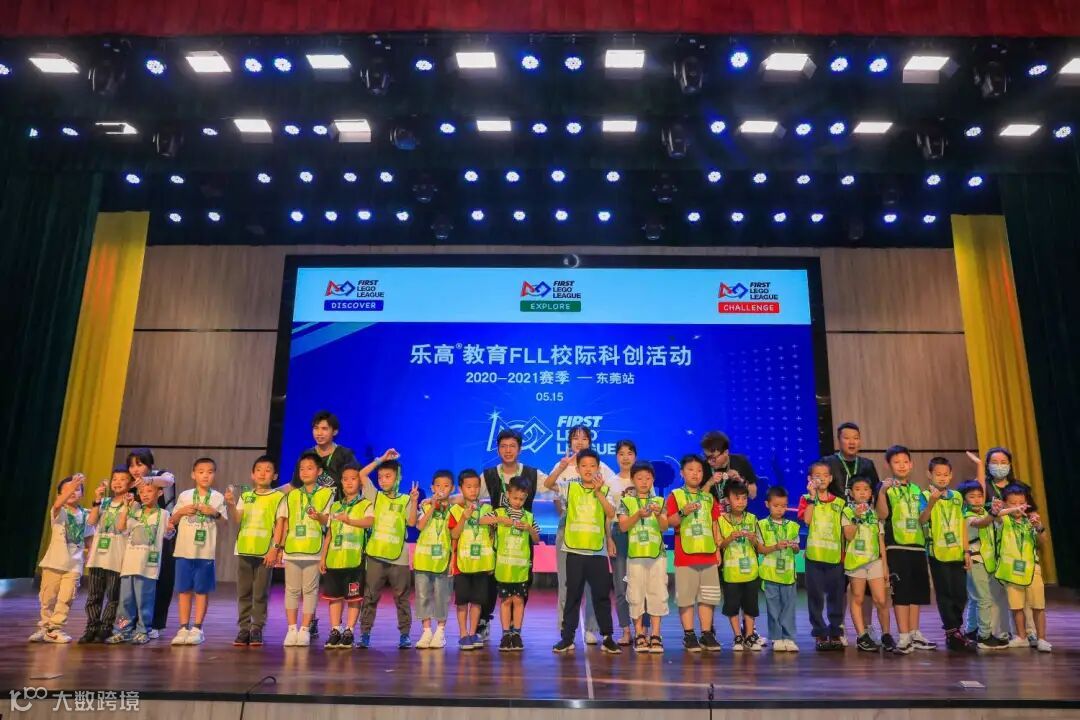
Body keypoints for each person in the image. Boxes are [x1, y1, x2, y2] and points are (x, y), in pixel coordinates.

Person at [475, 429, 548, 643]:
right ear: (498, 449)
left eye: (512, 446)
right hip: (497, 542)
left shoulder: (532, 474)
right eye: (503, 446)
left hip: (522, 543)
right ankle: (485, 622)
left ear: (520, 449)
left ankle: (516, 630)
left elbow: (553, 486)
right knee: (491, 584)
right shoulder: (489, 475)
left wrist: (565, 469)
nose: (508, 450)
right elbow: (470, 493)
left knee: (522, 585)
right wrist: (441, 500)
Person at [547, 448, 621, 655]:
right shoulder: (570, 487)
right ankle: (567, 638)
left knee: (601, 596)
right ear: (578, 469)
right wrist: (561, 467)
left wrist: (598, 493)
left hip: (597, 552)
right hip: (574, 551)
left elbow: (610, 513)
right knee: (573, 596)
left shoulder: (604, 490)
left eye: (592, 466)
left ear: (599, 469)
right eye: (584, 466)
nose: (588, 469)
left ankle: (607, 637)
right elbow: (548, 484)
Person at [876, 445, 935, 654]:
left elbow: (923, 519)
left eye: (905, 462)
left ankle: (914, 633)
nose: (901, 465)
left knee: (916, 592)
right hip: (896, 546)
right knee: (901, 592)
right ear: (888, 465)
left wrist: (932, 503)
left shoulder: (917, 490)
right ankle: (903, 636)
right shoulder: (885, 488)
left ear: (911, 464)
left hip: (917, 546)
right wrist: (882, 491)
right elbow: (882, 515)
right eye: (896, 462)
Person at [979, 446, 1038, 647]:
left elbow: (1032, 512)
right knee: (996, 593)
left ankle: (1030, 632)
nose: (999, 466)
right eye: (994, 462)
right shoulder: (983, 488)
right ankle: (1001, 632)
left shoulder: (1020, 487)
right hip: (991, 544)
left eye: (1003, 462)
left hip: (1017, 546)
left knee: (1023, 591)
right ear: (987, 465)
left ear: (1010, 464)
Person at [225, 455, 286, 647]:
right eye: (258, 470)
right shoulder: (246, 496)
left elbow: (281, 524)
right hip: (244, 549)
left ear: (274, 476)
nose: (262, 473)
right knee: (243, 592)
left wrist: (275, 548)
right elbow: (237, 519)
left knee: (260, 593)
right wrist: (231, 504)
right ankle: (244, 628)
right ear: (252, 474)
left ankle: (257, 627)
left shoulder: (278, 497)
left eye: (268, 470)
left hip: (265, 552)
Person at [359, 451, 417, 649]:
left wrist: (414, 501)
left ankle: (405, 634)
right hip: (376, 555)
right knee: (370, 595)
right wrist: (381, 460)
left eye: (388, 476)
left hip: (399, 557)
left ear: (398, 477)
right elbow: (361, 474)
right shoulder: (375, 496)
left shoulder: (405, 499)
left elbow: (412, 522)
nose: (383, 480)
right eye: (380, 477)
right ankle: (365, 633)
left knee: (401, 597)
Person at [665, 454, 723, 653]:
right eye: (690, 470)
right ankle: (689, 635)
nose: (695, 474)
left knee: (708, 597)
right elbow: (669, 522)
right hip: (685, 556)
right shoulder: (675, 496)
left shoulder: (709, 498)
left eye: (699, 470)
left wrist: (718, 549)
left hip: (708, 554)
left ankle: (706, 634)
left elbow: (714, 524)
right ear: (682, 473)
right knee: (686, 598)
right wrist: (683, 512)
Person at [919, 457, 977, 652]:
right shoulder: (924, 495)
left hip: (957, 552)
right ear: (929, 475)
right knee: (945, 593)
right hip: (937, 552)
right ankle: (952, 633)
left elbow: (962, 524)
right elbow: (922, 520)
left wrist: (966, 550)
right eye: (938, 474)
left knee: (960, 594)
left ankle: (955, 630)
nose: (942, 478)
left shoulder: (957, 496)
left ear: (951, 475)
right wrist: (932, 503)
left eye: (946, 474)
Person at [168, 457, 227, 646]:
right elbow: (173, 520)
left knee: (202, 590)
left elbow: (225, 522)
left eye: (210, 472)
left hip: (205, 552)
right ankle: (183, 627)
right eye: (201, 472)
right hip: (183, 551)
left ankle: (198, 628)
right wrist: (182, 511)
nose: (205, 475)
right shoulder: (185, 495)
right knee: (184, 590)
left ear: (214, 475)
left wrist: (214, 513)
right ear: (193, 475)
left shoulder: (217, 497)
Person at [279, 452, 335, 647]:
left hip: (314, 549)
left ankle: (304, 629)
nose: (304, 472)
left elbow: (328, 521)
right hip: (292, 549)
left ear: (319, 471)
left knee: (310, 591)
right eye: (301, 468)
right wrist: (279, 547)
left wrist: (318, 516)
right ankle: (291, 629)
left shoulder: (327, 493)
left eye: (309, 468)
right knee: (291, 590)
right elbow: (285, 522)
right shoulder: (292, 495)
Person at [107, 479, 171, 645]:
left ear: (159, 493)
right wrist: (126, 507)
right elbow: (121, 527)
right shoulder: (135, 512)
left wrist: (171, 530)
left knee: (144, 601)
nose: (144, 495)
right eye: (141, 492)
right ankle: (122, 630)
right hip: (129, 564)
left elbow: (168, 534)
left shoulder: (164, 514)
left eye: (149, 491)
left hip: (148, 566)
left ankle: (143, 630)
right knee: (125, 602)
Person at [32, 474, 93, 644]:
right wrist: (71, 486)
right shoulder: (58, 511)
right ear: (60, 494)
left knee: (67, 597)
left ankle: (55, 629)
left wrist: (90, 555)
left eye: (77, 489)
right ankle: (45, 626)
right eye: (67, 490)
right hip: (54, 562)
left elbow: (89, 538)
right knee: (48, 598)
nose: (72, 491)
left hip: (74, 564)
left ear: (82, 493)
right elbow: (58, 503)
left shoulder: (86, 514)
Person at [319, 462, 374, 649]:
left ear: (360, 482)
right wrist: (323, 557)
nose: (349, 482)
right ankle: (335, 629)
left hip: (354, 560)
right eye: (345, 479)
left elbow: (369, 522)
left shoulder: (365, 504)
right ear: (341, 483)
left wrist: (349, 520)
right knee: (334, 597)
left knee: (353, 598)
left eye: (353, 479)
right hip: (334, 560)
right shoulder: (335, 506)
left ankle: (349, 630)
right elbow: (330, 533)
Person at [618, 460, 669, 654]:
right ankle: (639, 633)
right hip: (635, 556)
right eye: (639, 478)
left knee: (658, 594)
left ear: (653, 480)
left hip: (657, 556)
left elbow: (664, 527)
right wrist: (638, 515)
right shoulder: (626, 501)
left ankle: (655, 634)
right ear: (633, 480)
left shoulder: (660, 501)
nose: (644, 482)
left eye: (648, 478)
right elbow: (623, 526)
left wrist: (658, 515)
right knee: (636, 595)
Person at [126, 448, 177, 641]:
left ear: (150, 465)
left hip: (162, 533)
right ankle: (134, 622)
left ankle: (156, 623)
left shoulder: (159, 476)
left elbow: (169, 481)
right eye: (131, 465)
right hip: (138, 539)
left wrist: (146, 481)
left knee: (162, 577)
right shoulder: (132, 485)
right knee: (137, 580)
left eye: (139, 464)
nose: (135, 469)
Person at [79, 467, 134, 644]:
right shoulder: (104, 502)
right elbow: (91, 521)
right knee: (94, 595)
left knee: (113, 596)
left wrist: (126, 506)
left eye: (122, 479)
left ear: (131, 483)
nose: (117, 482)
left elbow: (122, 527)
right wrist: (97, 499)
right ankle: (91, 627)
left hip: (116, 557)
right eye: (114, 479)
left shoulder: (133, 504)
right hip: (97, 556)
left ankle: (106, 627)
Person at [994, 485, 1051, 652]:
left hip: (1032, 569)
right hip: (1011, 571)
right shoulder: (1003, 520)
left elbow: (1043, 541)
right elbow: (996, 515)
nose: (1018, 506)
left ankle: (1042, 638)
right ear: (1005, 503)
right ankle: (1021, 636)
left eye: (1021, 503)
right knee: (1016, 606)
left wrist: (1038, 527)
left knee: (1038, 605)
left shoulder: (1030, 521)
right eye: (1013, 503)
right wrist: (1010, 510)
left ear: (1027, 502)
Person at [487, 475, 540, 651]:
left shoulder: (529, 516)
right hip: (504, 569)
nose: (518, 502)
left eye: (521, 499)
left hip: (521, 570)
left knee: (518, 601)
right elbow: (482, 520)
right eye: (515, 498)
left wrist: (529, 529)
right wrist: (499, 520)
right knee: (505, 601)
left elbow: (536, 539)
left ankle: (516, 633)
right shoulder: (500, 512)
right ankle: (505, 634)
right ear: (508, 495)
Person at [798, 461, 846, 651]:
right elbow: (807, 520)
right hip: (814, 557)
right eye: (817, 476)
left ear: (831, 478)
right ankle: (819, 631)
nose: (822, 479)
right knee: (816, 596)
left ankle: (835, 631)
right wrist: (812, 498)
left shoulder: (840, 503)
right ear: (810, 479)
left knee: (836, 596)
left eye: (825, 475)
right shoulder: (805, 499)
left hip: (835, 557)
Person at [841, 477, 892, 652]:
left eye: (866, 489)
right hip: (856, 561)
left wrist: (885, 565)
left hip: (875, 560)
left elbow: (881, 540)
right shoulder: (847, 511)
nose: (862, 493)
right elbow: (848, 536)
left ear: (871, 493)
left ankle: (886, 634)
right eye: (857, 489)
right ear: (851, 492)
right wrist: (856, 516)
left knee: (881, 600)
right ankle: (862, 636)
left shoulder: (874, 513)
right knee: (858, 598)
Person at [958, 480, 1008, 649]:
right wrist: (993, 513)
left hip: (987, 560)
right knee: (984, 599)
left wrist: (1001, 512)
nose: (977, 499)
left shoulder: (985, 513)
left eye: (980, 496)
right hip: (975, 561)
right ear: (964, 500)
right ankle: (984, 635)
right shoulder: (966, 516)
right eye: (972, 496)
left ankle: (971, 630)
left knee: (975, 598)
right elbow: (982, 523)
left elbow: (996, 523)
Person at [717, 481, 765, 651]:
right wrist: (730, 538)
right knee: (732, 606)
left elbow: (760, 545)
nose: (741, 502)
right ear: (727, 500)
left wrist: (753, 539)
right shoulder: (721, 520)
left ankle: (749, 636)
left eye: (744, 498)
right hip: (731, 573)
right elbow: (719, 544)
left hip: (751, 572)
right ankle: (737, 636)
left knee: (750, 606)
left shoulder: (752, 518)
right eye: (737, 498)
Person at [450, 469, 495, 650]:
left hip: (482, 563)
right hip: (462, 563)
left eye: (476, 486)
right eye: (469, 487)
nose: (473, 490)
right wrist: (464, 518)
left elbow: (491, 535)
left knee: (477, 601)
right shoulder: (455, 510)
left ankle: (473, 632)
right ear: (461, 488)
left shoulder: (487, 509)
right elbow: (454, 534)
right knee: (462, 601)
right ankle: (463, 634)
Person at [413, 470, 454, 650]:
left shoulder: (454, 508)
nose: (441, 489)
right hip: (423, 559)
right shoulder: (424, 506)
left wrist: (452, 561)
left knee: (441, 596)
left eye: (446, 486)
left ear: (452, 488)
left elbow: (454, 536)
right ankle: (426, 631)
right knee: (422, 595)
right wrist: (432, 505)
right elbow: (420, 525)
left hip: (443, 560)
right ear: (432, 487)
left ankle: (440, 631)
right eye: (438, 486)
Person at [758, 485, 800, 652]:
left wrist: (794, 546)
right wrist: (775, 546)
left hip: (788, 575)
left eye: (783, 506)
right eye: (776, 505)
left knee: (789, 608)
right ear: (767, 504)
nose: (780, 509)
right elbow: (761, 549)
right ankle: (776, 638)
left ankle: (789, 637)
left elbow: (796, 549)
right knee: (773, 608)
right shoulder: (761, 525)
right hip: (770, 575)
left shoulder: (793, 526)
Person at [288, 410, 359, 498]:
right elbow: (295, 486)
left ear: (335, 431)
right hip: (310, 505)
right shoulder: (306, 455)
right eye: (316, 428)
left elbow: (358, 483)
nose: (319, 433)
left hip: (337, 505)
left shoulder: (345, 455)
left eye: (324, 429)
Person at [822, 422, 881, 500]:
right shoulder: (827, 463)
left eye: (856, 438)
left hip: (863, 507)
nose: (852, 442)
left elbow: (876, 492)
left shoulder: (867, 464)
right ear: (838, 440)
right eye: (846, 438)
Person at [701, 430, 759, 508]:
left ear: (726, 452)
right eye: (706, 456)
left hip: (736, 513)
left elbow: (753, 495)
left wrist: (741, 480)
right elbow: (697, 500)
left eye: (713, 458)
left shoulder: (741, 461)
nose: (709, 461)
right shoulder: (702, 466)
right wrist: (709, 483)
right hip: (710, 513)